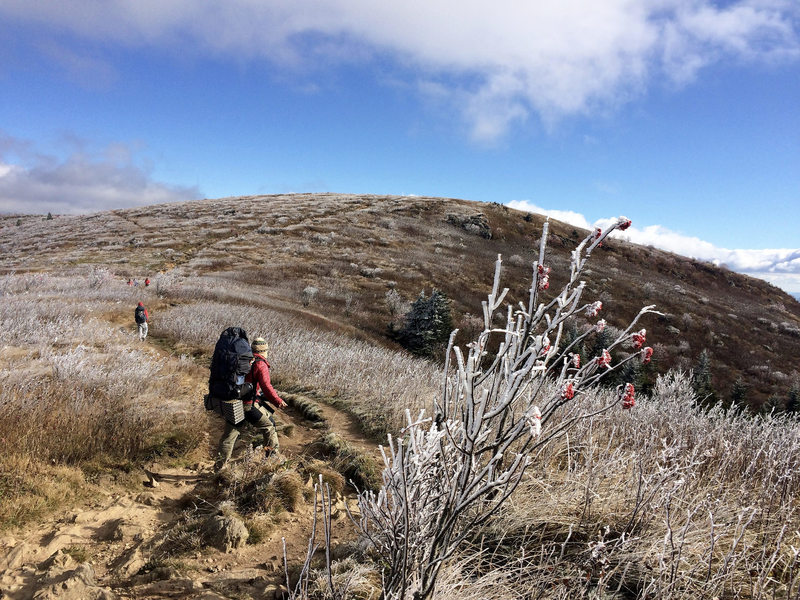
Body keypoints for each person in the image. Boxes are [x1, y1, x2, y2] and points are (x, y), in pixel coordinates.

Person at [215, 337, 287, 470]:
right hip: (247, 405)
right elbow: (266, 386)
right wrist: (278, 401)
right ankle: (271, 463)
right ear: (264, 351)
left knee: (229, 436)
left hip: (233, 403)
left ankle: (219, 468)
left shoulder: (241, 359)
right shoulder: (260, 364)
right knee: (269, 427)